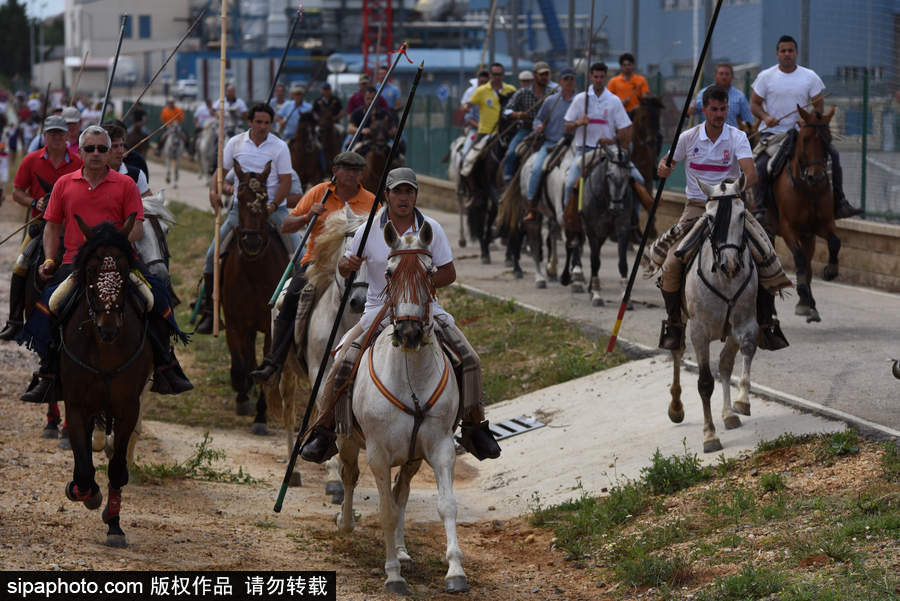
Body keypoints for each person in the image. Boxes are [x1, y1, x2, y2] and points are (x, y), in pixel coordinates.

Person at [298, 167, 501, 464]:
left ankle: (474, 427)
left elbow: (449, 273)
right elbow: (344, 267)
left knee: (470, 358)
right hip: (377, 312)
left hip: (423, 309)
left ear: (416, 195)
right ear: (387, 195)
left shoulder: (431, 228)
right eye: (397, 192)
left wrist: (415, 285)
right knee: (342, 361)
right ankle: (326, 429)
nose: (404, 198)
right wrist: (346, 263)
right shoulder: (369, 229)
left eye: (409, 191)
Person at [17, 125, 191, 403]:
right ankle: (48, 373)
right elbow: (52, 228)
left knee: (156, 298)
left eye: (102, 149)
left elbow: (136, 228)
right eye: (90, 149)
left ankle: (166, 364)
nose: (96, 154)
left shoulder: (126, 185)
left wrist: (114, 242)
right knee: (50, 305)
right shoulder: (64, 184)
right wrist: (50, 259)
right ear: (81, 153)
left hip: (122, 264)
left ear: (109, 152)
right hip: (77, 264)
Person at [652, 86, 791, 352]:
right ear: (704, 109)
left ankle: (766, 321)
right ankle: (673, 324)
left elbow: (751, 174)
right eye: (714, 109)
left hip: (730, 205)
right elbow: (666, 163)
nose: (719, 114)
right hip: (696, 207)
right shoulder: (688, 137)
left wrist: (730, 190)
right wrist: (663, 166)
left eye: (723, 109)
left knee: (766, 254)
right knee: (670, 263)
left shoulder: (736, 137)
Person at [251, 151, 375, 381]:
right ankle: (274, 361)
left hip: (357, 266)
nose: (350, 174)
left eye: (356, 170)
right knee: (290, 298)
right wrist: (307, 215)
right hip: (316, 264)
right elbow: (286, 225)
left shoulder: (372, 202)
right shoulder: (320, 192)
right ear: (335, 171)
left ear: (362, 174)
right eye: (345, 169)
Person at [195, 103, 298, 334]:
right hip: (239, 212)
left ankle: (298, 308)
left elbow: (285, 181)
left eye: (267, 123)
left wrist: (272, 205)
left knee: (300, 255)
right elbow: (220, 173)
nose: (262, 127)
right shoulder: (235, 143)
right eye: (258, 122)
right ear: (250, 122)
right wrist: (214, 191)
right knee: (213, 253)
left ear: (271, 124)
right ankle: (209, 308)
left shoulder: (280, 147)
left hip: (273, 210)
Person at [750, 35, 861, 219]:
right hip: (773, 134)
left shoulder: (810, 76)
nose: (787, 54)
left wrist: (808, 120)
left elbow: (818, 107)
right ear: (777, 53)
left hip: (803, 134)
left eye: (790, 51)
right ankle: (760, 209)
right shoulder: (765, 77)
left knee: (833, 155)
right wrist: (765, 117)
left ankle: (840, 202)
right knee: (761, 165)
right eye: (783, 51)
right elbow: (754, 104)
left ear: (796, 53)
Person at [0, 116, 83, 343]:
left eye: (60, 133)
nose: (56, 137)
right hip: (40, 225)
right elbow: (16, 192)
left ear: (68, 135)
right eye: (52, 133)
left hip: (70, 226)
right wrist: (34, 202)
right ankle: (15, 320)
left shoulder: (79, 162)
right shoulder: (31, 160)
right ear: (44, 136)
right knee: (21, 265)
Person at [563, 62, 638, 211]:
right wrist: (579, 122)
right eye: (595, 76)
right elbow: (567, 126)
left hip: (609, 151)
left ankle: (634, 221)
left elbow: (625, 128)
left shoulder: (614, 100)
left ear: (605, 77)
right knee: (570, 183)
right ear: (590, 77)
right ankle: (568, 217)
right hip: (585, 150)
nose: (598, 80)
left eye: (601, 77)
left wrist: (613, 139)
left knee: (638, 179)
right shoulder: (580, 99)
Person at [526, 67, 577, 216]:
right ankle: (532, 205)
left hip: (573, 144)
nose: (568, 82)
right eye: (565, 79)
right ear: (560, 81)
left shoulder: (580, 100)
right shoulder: (550, 101)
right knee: (536, 169)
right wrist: (538, 126)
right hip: (551, 143)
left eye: (571, 79)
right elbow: (538, 119)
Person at [460, 62, 517, 176]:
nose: (497, 77)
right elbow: (468, 105)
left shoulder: (511, 90)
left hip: (506, 133)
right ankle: (466, 184)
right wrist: (465, 107)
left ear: (503, 75)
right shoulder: (481, 91)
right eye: (494, 74)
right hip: (485, 132)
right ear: (490, 75)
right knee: (468, 158)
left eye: (499, 74)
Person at [502, 69, 552, 183]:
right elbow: (506, 111)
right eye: (541, 74)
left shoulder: (553, 93)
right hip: (526, 130)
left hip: (548, 132)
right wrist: (517, 114)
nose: (544, 77)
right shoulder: (522, 92)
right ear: (535, 76)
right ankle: (508, 178)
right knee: (511, 153)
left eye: (546, 74)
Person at [689, 62, 753, 128]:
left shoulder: (740, 97)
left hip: (731, 137)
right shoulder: (703, 93)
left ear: (732, 77)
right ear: (715, 76)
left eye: (727, 74)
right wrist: (690, 110)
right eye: (721, 74)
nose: (724, 77)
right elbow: (690, 112)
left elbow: (748, 121)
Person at [346, 86, 397, 154]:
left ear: (377, 99)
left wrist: (388, 132)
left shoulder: (385, 113)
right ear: (364, 99)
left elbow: (393, 129)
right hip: (362, 141)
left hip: (382, 142)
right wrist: (362, 130)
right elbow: (349, 129)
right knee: (348, 153)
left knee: (397, 153)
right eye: (368, 99)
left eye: (373, 99)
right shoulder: (357, 113)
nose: (370, 101)